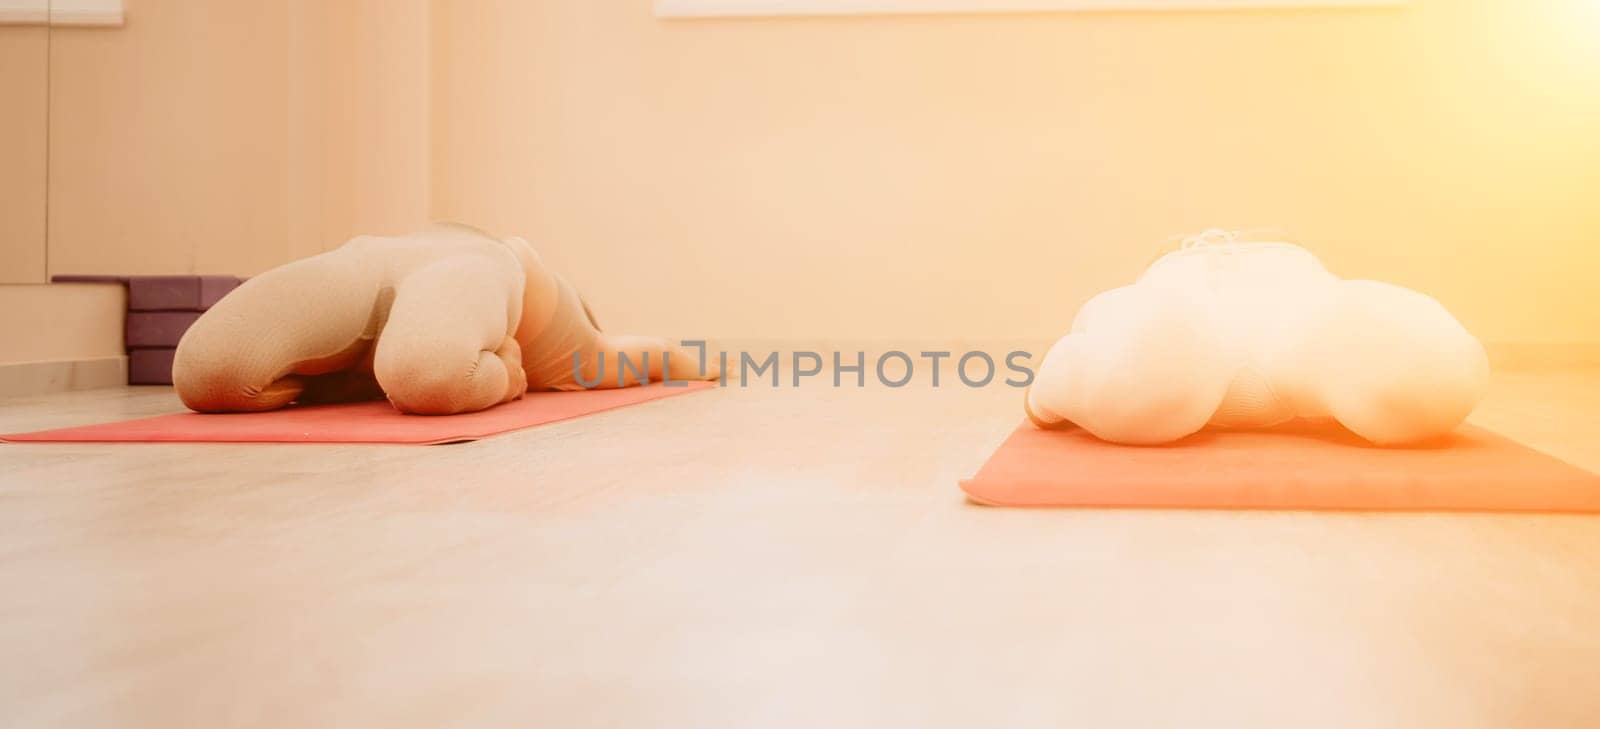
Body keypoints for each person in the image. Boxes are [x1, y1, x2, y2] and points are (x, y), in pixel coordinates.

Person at [173, 223, 716, 414]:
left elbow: (641, 355)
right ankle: (362, 368)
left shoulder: (568, 349)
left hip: (482, 262)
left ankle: (501, 369)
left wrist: (702, 365)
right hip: (384, 257)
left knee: (427, 373)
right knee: (206, 373)